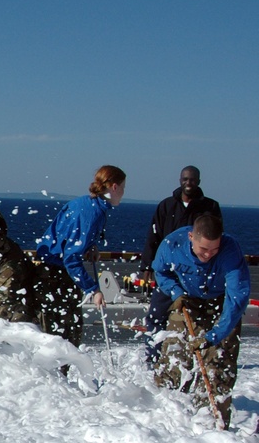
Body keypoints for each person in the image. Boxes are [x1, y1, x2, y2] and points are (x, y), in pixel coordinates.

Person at [152, 213, 249, 427]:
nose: (208, 255)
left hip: (221, 301)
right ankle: (164, 417)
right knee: (174, 355)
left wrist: (214, 336)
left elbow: (237, 299)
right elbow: (160, 272)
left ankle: (211, 422)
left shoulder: (230, 251)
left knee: (218, 362)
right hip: (187, 299)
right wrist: (175, 292)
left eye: (214, 250)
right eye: (203, 249)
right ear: (190, 237)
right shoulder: (172, 245)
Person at [35, 165, 126, 347]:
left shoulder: (86, 203)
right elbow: (70, 258)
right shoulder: (92, 213)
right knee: (65, 338)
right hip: (56, 276)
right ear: (114, 187)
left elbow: (70, 237)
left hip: (52, 271)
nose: (123, 193)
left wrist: (89, 246)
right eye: (123, 188)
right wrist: (93, 289)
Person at [140, 166, 222, 365]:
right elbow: (154, 236)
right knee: (156, 315)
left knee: (194, 318)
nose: (188, 183)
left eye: (192, 180)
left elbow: (215, 240)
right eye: (185, 179)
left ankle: (193, 359)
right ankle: (153, 357)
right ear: (180, 180)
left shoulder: (209, 207)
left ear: (199, 182)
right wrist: (147, 266)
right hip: (169, 272)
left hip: (196, 273)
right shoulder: (167, 206)